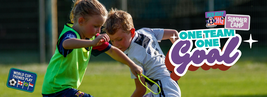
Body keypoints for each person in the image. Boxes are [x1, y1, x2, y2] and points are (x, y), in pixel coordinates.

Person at [42, 0, 143, 97]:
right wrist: (92, 43)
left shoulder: (92, 38)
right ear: (81, 21)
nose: (98, 30)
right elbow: (66, 44)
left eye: (100, 27)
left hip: (66, 89)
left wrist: (132, 65)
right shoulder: (70, 34)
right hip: (56, 89)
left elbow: (112, 51)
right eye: (95, 26)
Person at [104, 9, 181, 97]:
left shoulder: (134, 56)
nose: (116, 44)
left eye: (119, 39)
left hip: (164, 89)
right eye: (112, 40)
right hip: (166, 84)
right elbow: (173, 34)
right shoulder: (145, 32)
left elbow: (141, 90)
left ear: (132, 32)